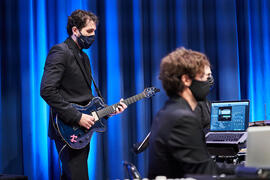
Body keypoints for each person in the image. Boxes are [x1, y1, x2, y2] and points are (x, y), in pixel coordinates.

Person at [40, 10, 127, 180]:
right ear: (75, 30)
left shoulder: (84, 57)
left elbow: (86, 99)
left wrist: (108, 111)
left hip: (82, 130)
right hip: (68, 128)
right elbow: (47, 90)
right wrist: (77, 117)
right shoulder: (60, 51)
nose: (93, 36)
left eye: (94, 31)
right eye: (89, 31)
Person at [148, 47, 216, 178]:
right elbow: (206, 172)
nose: (209, 83)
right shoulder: (183, 119)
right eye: (206, 77)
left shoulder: (166, 112)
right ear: (186, 80)